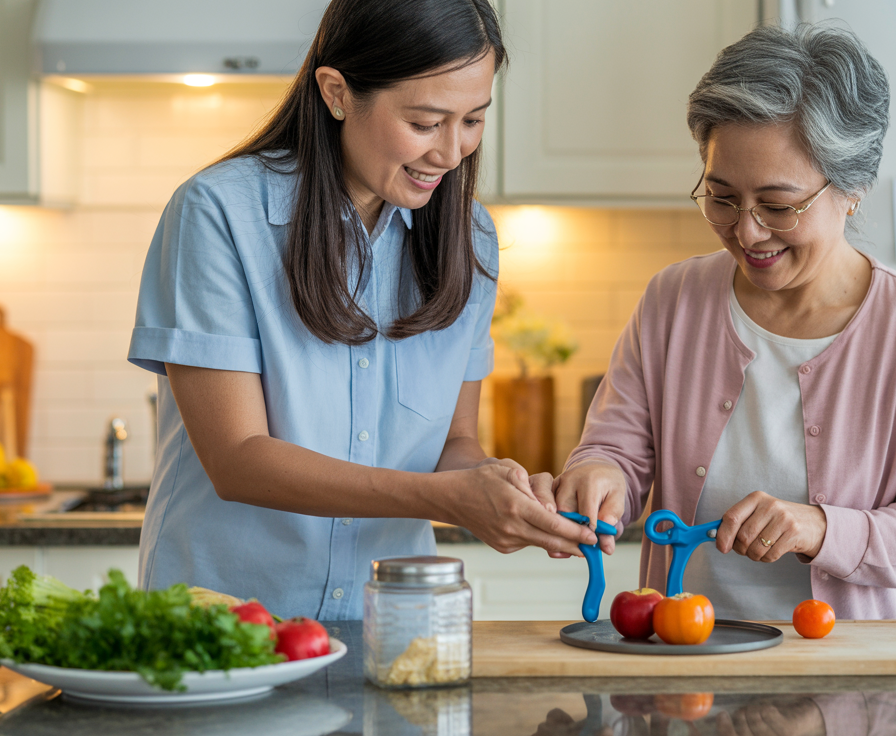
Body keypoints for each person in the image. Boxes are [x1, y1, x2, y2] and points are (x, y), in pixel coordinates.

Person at [126, 0, 594, 620]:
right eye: (425, 123)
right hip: (227, 620)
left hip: (393, 622)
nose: (451, 152)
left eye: (473, 120)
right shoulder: (219, 213)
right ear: (337, 93)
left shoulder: (469, 236)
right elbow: (237, 458)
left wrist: (498, 486)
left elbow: (454, 442)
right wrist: (444, 497)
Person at [551, 24, 896, 621]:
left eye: (779, 206)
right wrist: (598, 475)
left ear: (852, 188)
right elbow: (614, 451)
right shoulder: (673, 300)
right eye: (722, 197)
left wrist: (821, 529)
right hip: (683, 654)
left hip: (849, 668)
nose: (748, 232)